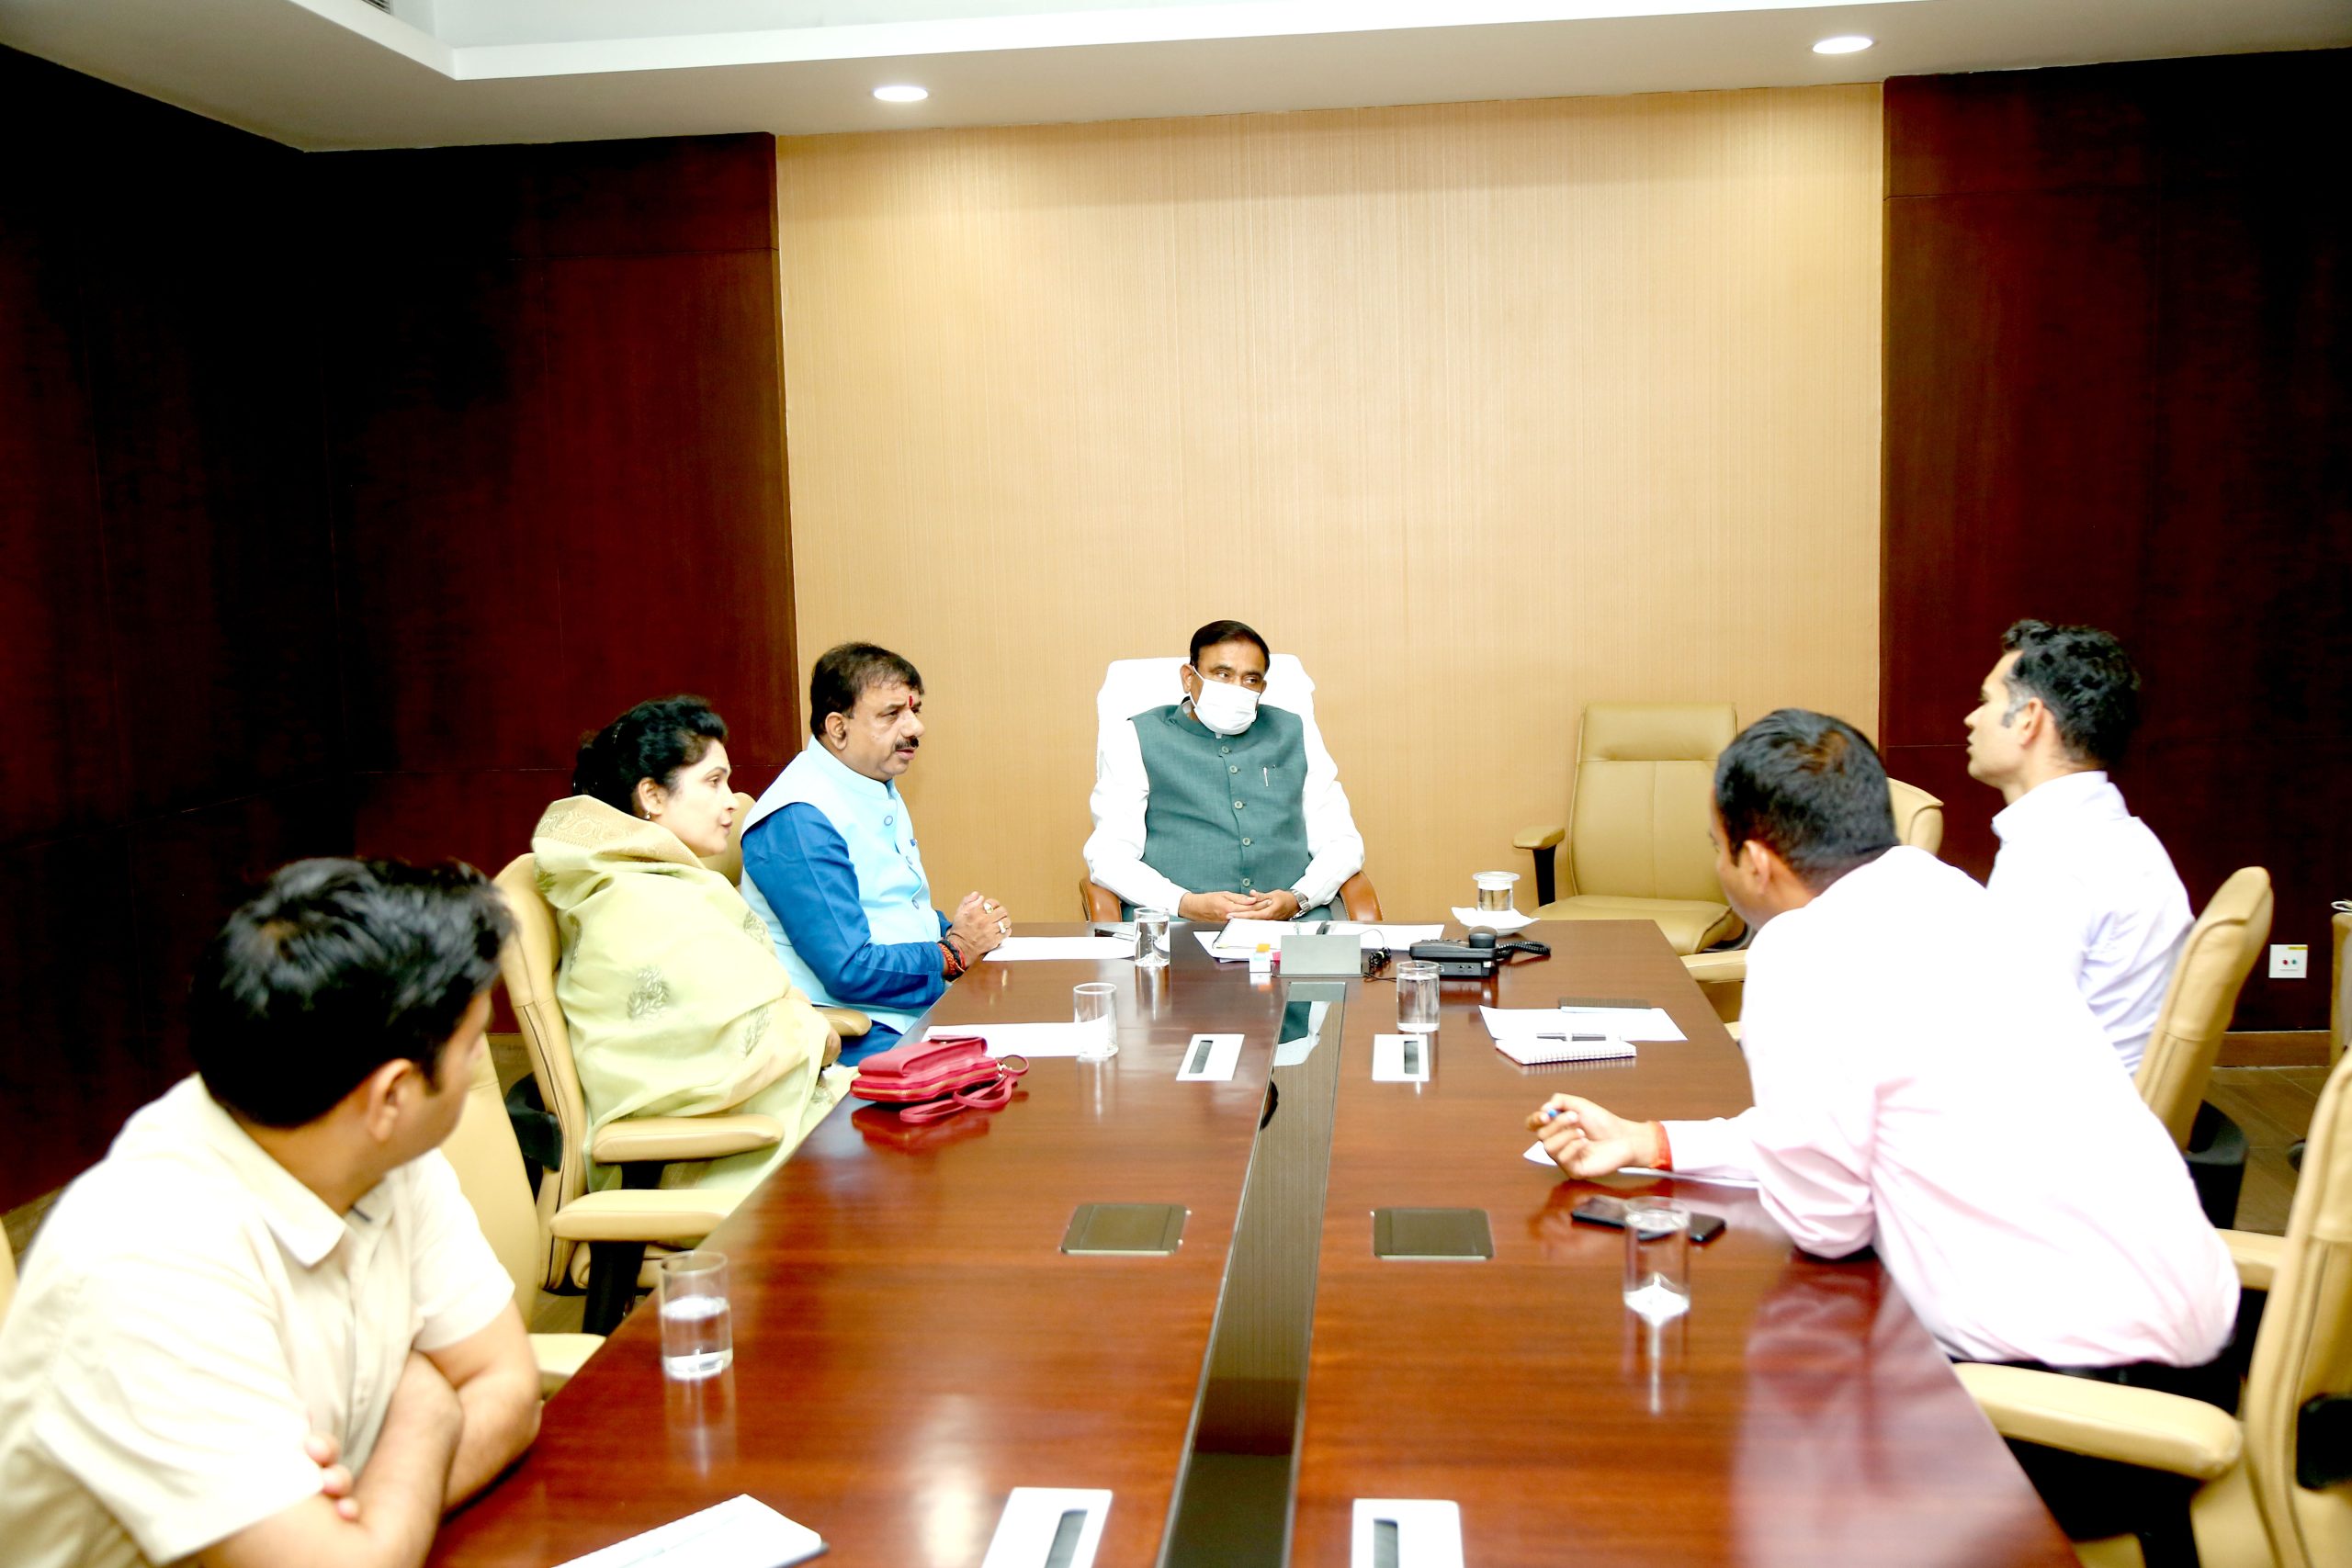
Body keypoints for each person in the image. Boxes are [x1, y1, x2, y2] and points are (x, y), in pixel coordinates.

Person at [1527, 709, 2235, 1381]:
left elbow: (1826, 1220)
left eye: (1717, 847)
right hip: (2190, 1323)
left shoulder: (1804, 949)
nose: (1718, 865)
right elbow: (1838, 1139)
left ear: (1758, 861)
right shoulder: (1951, 893)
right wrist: (1651, 1141)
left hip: (2063, 1379)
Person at [0, 859, 541, 1568]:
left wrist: (371, 1511)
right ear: (392, 1096)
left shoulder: (366, 1142)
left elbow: (508, 1386)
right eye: (473, 1047)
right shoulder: (145, 1259)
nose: (478, 1070)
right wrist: (428, 1407)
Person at [536, 695, 848, 1188]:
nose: (732, 800)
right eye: (713, 781)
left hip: (749, 1124)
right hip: (702, 1158)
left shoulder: (659, 883)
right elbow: (724, 1057)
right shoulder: (636, 902)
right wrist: (814, 1033)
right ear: (653, 796)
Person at [740, 644, 1011, 1056]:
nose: (916, 727)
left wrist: (964, 929)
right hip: (854, 1032)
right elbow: (848, 969)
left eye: (915, 710)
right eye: (892, 714)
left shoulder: (868, 782)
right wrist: (953, 951)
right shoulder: (798, 818)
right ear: (838, 728)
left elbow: (889, 907)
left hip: (906, 1011)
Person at [1963, 619, 2193, 1072]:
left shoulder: (2052, 860)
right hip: (2105, 1091)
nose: (1972, 719)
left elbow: (2011, 1043)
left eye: (1986, 701)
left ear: (2028, 719)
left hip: (2063, 1105)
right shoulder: (2114, 834)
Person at [1083, 618, 1365, 922]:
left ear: (1262, 688)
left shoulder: (1295, 732)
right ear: (1189, 678)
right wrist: (1185, 903)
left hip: (1292, 922)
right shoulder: (1136, 737)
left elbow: (1341, 841)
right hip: (1178, 922)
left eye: (1250, 679)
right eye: (1222, 674)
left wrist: (1298, 898)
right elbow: (1109, 855)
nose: (1236, 688)